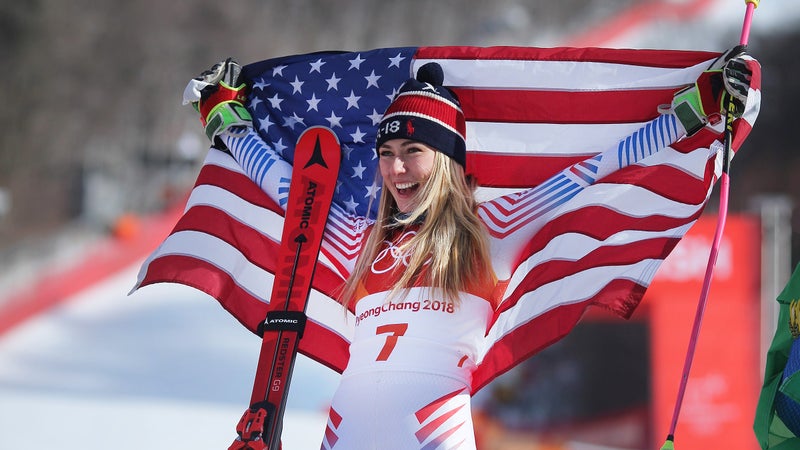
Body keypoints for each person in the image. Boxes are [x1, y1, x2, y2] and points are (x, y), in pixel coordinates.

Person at [185, 47, 759, 449]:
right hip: (344, 431)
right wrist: (224, 116)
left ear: (448, 161)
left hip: (432, 430)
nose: (396, 168)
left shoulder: (491, 230)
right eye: (387, 154)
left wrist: (703, 106)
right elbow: (288, 189)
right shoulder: (357, 241)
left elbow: (598, 169)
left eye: (414, 151)